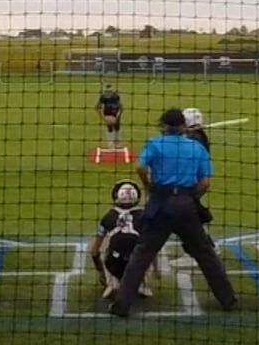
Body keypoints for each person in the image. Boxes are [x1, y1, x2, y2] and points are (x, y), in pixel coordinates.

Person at [110, 108, 238, 318]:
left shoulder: (155, 144)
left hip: (161, 203)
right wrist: (191, 198)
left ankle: (122, 305)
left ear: (164, 126)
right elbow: (205, 182)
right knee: (205, 253)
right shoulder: (197, 147)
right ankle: (228, 299)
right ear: (182, 127)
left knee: (142, 254)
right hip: (186, 205)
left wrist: (148, 186)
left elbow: (140, 167)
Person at [88, 180, 151, 300]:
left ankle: (112, 282)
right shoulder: (144, 217)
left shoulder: (108, 217)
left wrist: (100, 270)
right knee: (147, 248)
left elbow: (94, 251)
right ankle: (141, 282)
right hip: (137, 264)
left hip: (115, 263)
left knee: (107, 249)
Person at [96, 82, 124, 148]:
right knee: (110, 128)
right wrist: (103, 117)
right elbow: (97, 107)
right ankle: (111, 143)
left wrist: (118, 115)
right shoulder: (103, 96)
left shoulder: (116, 96)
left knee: (117, 127)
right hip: (108, 114)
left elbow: (121, 107)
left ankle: (117, 142)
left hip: (116, 113)